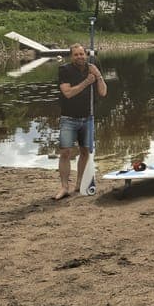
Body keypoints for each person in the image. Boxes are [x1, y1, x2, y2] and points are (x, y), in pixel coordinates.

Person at [56, 43, 107, 200]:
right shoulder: (64, 70)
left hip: (88, 118)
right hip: (68, 118)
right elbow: (68, 93)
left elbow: (103, 92)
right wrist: (86, 82)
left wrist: (98, 76)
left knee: (85, 151)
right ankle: (64, 187)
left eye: (81, 54)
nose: (79, 57)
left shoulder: (92, 67)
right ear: (71, 56)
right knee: (65, 152)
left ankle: (79, 184)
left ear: (86, 55)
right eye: (76, 54)